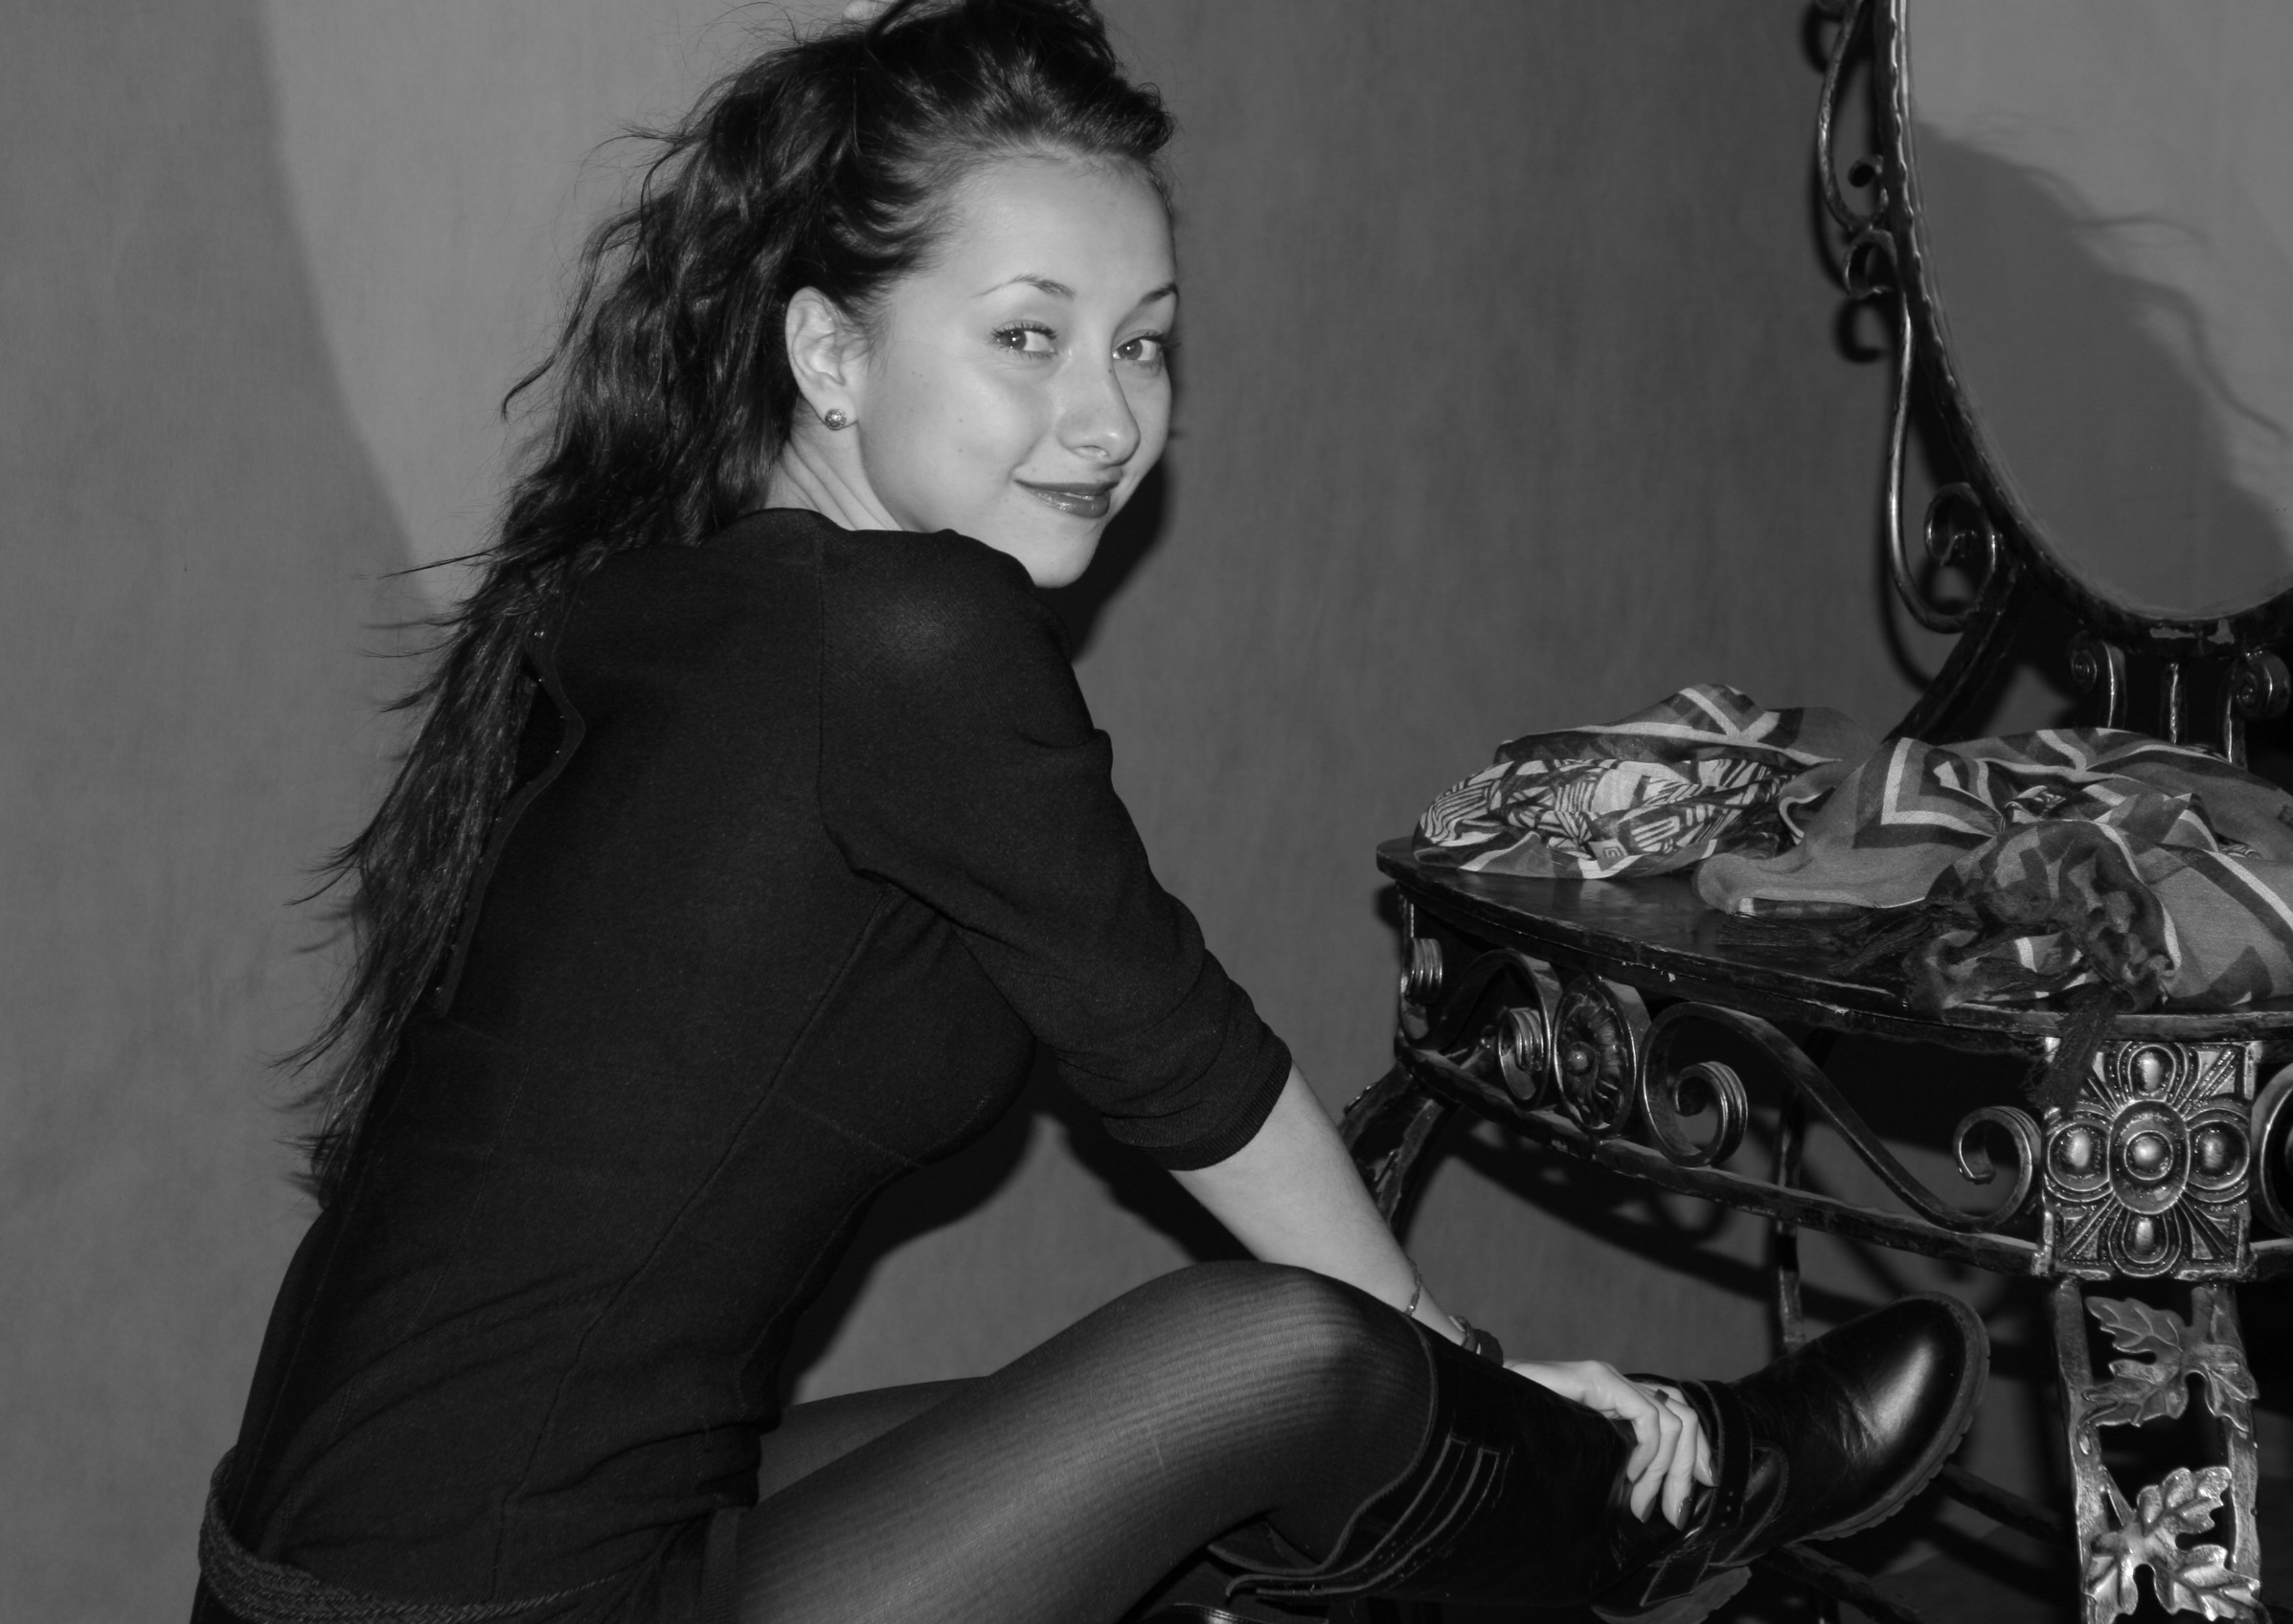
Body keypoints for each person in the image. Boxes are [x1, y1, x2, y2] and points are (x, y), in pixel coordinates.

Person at [193, 4, 1987, 1622]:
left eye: (1142, 345)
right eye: (1028, 337)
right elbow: (1185, 1065)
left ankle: (1586, 1494)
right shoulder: (903, 640)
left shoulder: (703, 607)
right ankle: (1651, 1507)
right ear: (829, 353)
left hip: (412, 1550)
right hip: (488, 1596)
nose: (1107, 419)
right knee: (1286, 1361)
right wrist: (1479, 1371)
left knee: (1203, 1481)